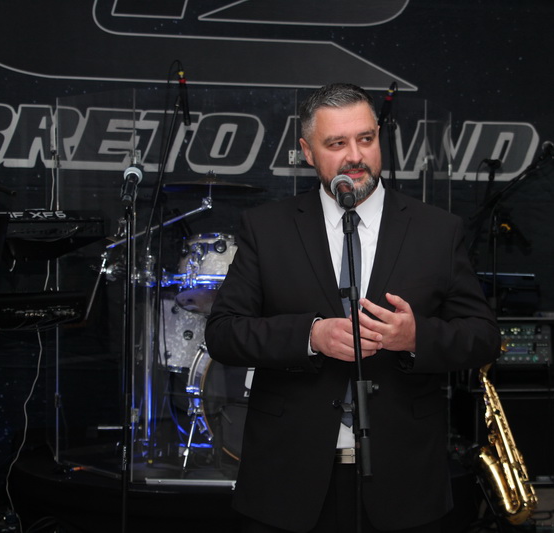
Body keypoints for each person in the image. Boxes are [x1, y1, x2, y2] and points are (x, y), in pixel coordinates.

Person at [205, 82, 499, 533]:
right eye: (336, 144)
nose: (355, 157)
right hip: (288, 476)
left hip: (404, 478)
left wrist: (415, 337)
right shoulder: (266, 229)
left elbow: (483, 337)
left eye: (366, 139)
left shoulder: (438, 231)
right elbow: (224, 332)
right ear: (307, 151)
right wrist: (311, 336)